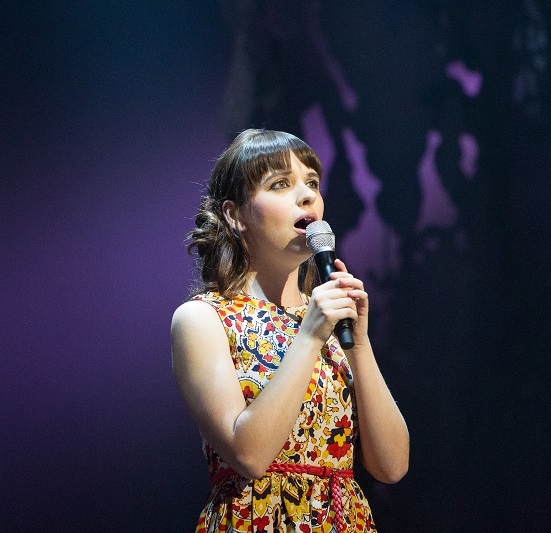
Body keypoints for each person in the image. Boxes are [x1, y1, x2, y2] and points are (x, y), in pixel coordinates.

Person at [171, 129, 409, 532]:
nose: (307, 196)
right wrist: (310, 337)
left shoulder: (329, 320)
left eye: (312, 183)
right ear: (235, 215)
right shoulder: (203, 319)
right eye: (280, 184)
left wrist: (358, 343)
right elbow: (248, 455)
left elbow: (392, 465)